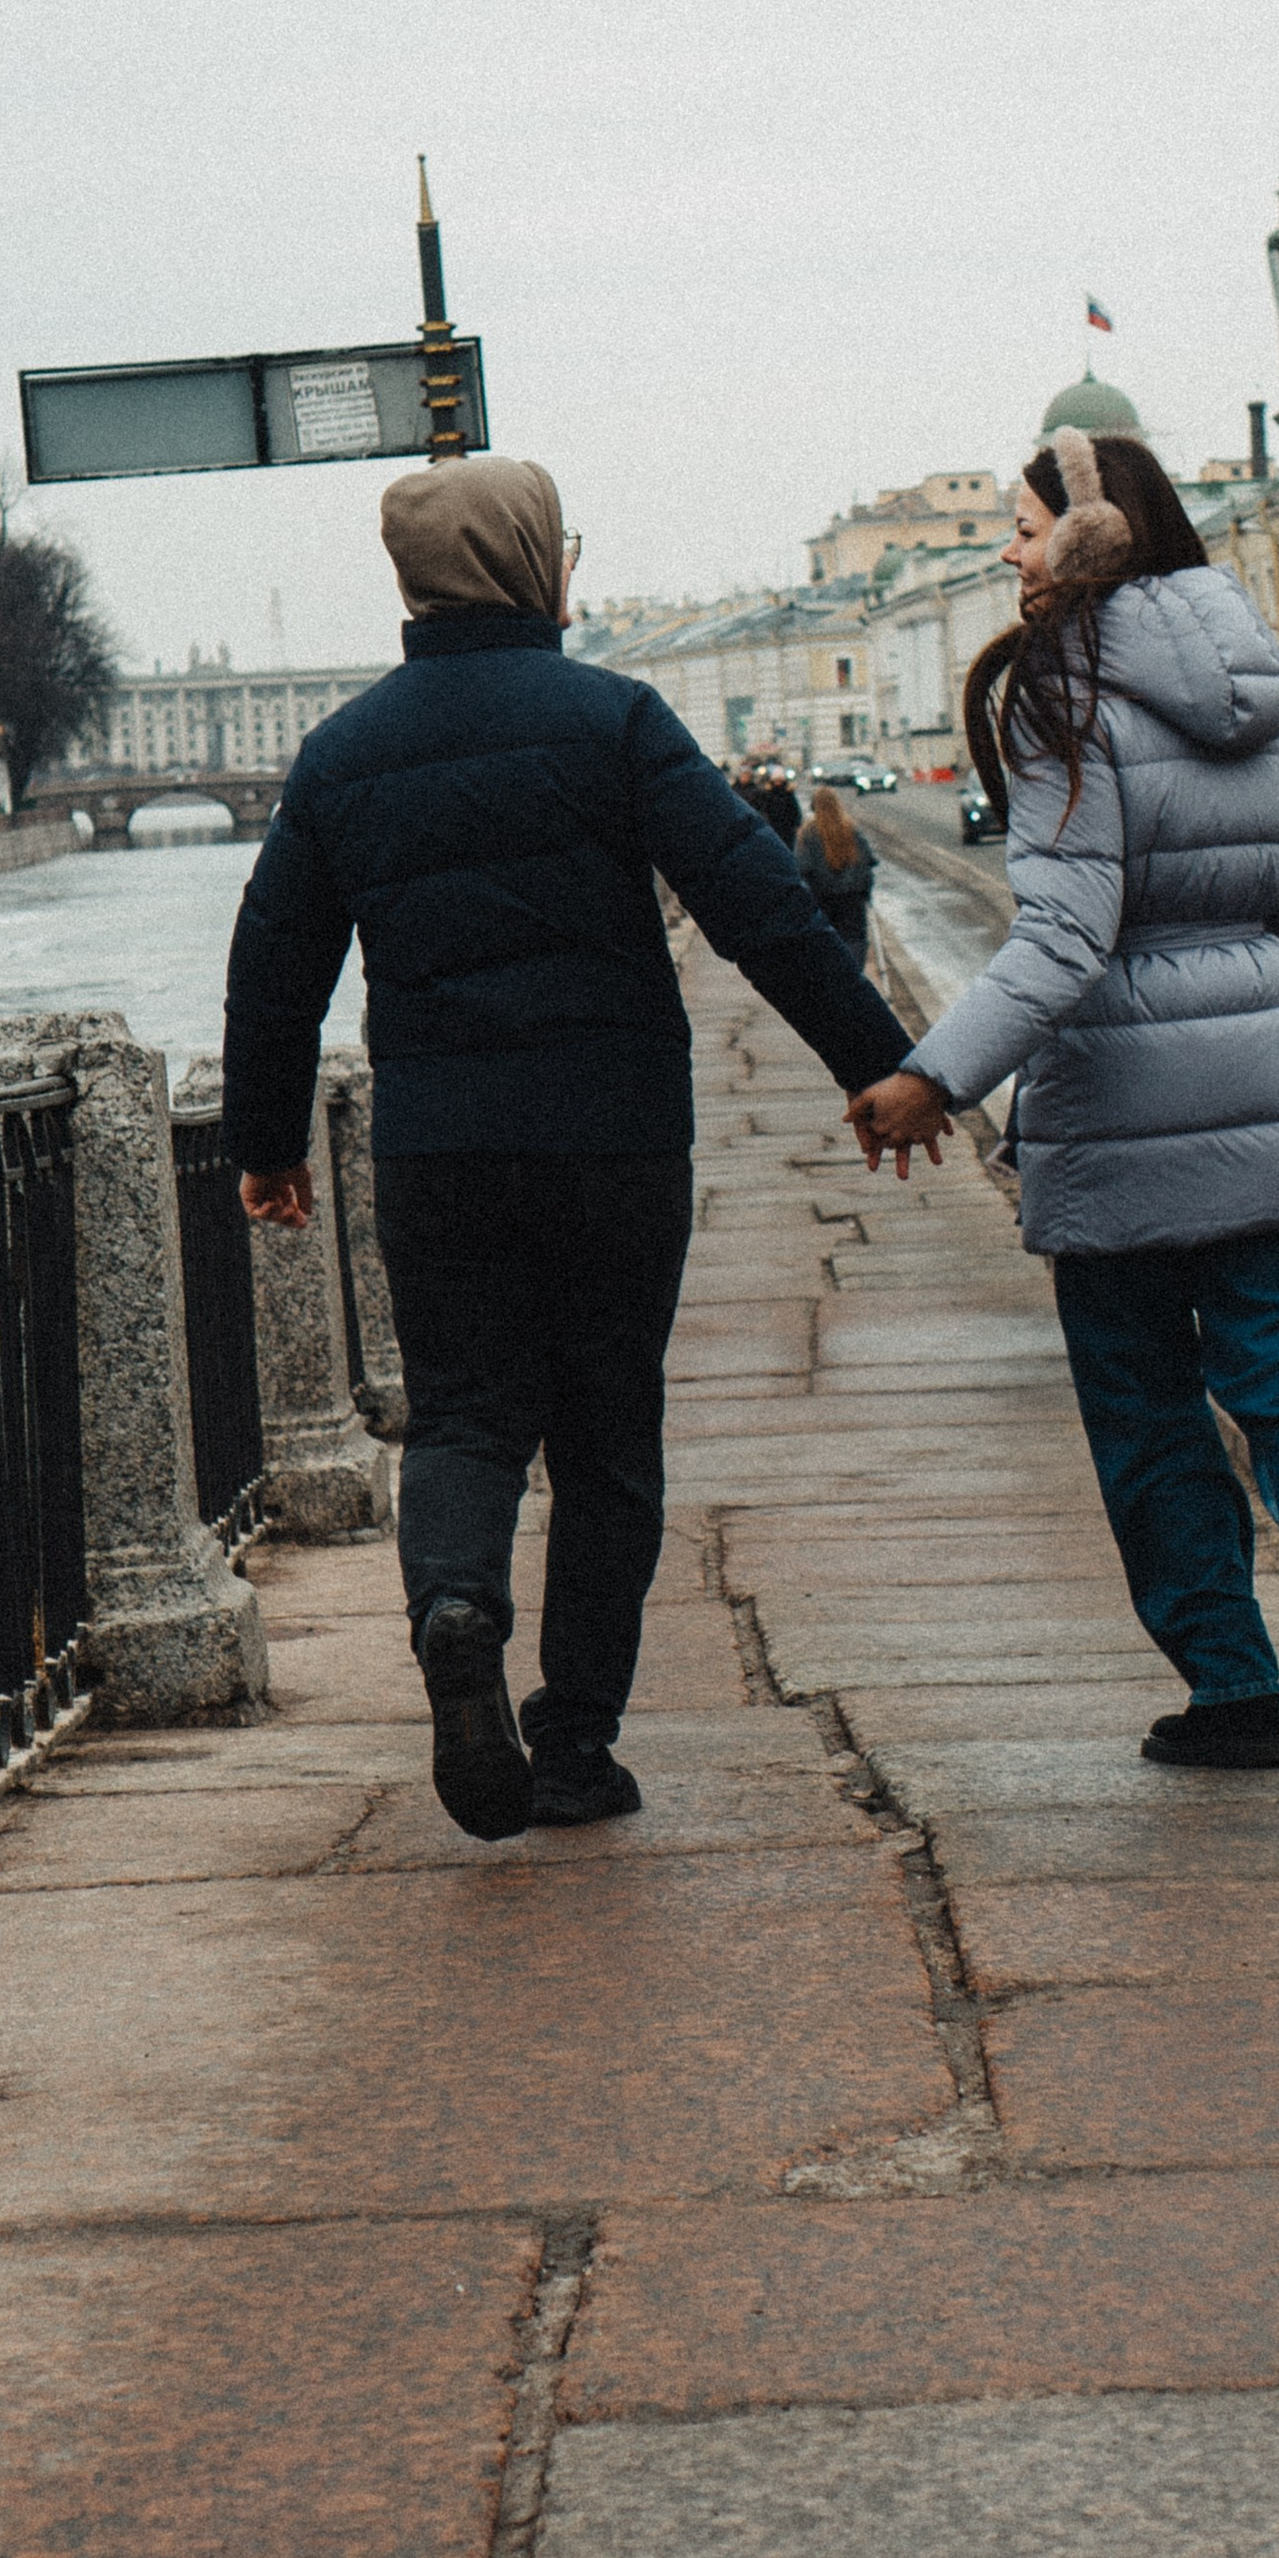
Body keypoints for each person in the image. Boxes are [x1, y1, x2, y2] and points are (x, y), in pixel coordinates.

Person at [221, 456, 913, 1842]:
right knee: (606, 1441)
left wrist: (263, 1139)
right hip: (614, 1140)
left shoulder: (344, 753)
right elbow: (757, 905)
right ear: (536, 563)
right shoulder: (616, 721)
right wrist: (880, 1065)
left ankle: (458, 1614)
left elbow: (275, 961)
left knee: (467, 1414)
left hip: (440, 1150)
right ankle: (577, 1742)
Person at [849, 427, 1279, 1771]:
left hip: (1121, 1108)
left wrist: (933, 1076)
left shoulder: (1066, 686)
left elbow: (1064, 935)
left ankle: (1234, 1694)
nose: (1009, 547)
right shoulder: (1248, 675)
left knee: (1148, 1405)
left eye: (1028, 526)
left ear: (1093, 538)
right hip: (1263, 1078)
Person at [795, 785, 878, 971]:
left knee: (826, 940)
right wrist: (863, 888)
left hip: (821, 897)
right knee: (854, 939)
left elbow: (802, 866)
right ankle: (854, 977)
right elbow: (867, 860)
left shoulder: (807, 833)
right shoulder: (850, 829)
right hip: (852, 897)